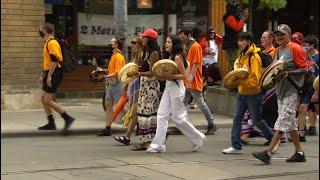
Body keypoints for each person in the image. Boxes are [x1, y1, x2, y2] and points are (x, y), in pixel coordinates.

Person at [252, 24, 309, 164]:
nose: (279, 37)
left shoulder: (295, 48)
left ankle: (268, 153)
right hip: (280, 91)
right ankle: (299, 153)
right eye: (277, 35)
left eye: (282, 34)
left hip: (292, 91)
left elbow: (305, 69)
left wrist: (288, 73)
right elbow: (275, 71)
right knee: (290, 125)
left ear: (288, 35)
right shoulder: (277, 51)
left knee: (282, 122)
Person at [147, 35, 206, 153]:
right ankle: (158, 145)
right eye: (166, 41)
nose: (166, 44)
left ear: (174, 44)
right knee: (161, 114)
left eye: (169, 42)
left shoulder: (178, 57)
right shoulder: (169, 56)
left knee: (178, 118)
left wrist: (171, 76)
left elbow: (184, 75)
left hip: (177, 88)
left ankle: (198, 138)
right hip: (169, 87)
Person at [222, 32, 274, 154]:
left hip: (254, 94)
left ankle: (272, 138)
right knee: (237, 119)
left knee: (257, 120)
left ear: (248, 42)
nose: (239, 43)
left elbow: (256, 80)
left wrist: (240, 82)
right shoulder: (241, 56)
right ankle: (235, 145)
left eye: (242, 40)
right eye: (239, 40)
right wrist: (236, 82)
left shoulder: (254, 57)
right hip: (242, 94)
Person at [240, 30, 286, 145]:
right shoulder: (259, 53)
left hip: (269, 88)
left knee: (260, 113)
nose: (262, 40)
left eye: (264, 37)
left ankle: (271, 136)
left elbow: (273, 70)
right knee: (254, 113)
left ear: (271, 39)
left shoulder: (273, 52)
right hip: (259, 87)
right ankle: (247, 135)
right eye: (261, 37)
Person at [37, 23, 75, 134]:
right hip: (50, 73)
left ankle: (68, 118)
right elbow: (48, 63)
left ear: (44, 30)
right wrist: (42, 76)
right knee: (44, 97)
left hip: (55, 73)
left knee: (47, 99)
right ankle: (51, 123)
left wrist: (49, 76)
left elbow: (54, 61)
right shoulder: (47, 42)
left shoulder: (52, 42)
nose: (39, 30)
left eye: (40, 29)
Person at [179, 28, 217, 135]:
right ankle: (182, 124)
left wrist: (190, 79)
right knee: (184, 103)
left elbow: (195, 64)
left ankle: (211, 124)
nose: (182, 39)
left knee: (200, 103)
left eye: (183, 37)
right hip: (189, 79)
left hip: (193, 80)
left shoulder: (195, 46)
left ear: (188, 35)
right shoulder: (190, 46)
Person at [130, 28, 161, 151]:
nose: (142, 39)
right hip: (145, 85)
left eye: (144, 37)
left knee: (147, 113)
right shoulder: (146, 52)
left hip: (151, 86)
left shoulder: (154, 53)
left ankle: (147, 141)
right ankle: (145, 140)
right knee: (142, 112)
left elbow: (153, 73)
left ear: (149, 39)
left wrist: (138, 73)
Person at [114, 36, 144, 145]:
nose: (132, 44)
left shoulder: (141, 56)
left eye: (134, 42)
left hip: (139, 85)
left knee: (134, 110)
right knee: (133, 110)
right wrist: (126, 87)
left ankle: (127, 136)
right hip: (133, 84)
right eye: (131, 42)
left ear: (139, 44)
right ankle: (138, 129)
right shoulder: (135, 56)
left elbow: (138, 71)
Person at [97, 36, 126, 136]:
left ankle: (136, 122)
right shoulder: (114, 56)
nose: (110, 42)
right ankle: (107, 128)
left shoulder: (118, 57)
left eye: (112, 41)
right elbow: (112, 71)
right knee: (108, 105)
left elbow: (117, 73)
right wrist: (103, 71)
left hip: (117, 84)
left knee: (121, 108)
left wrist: (105, 76)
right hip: (112, 84)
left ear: (117, 44)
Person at [297, 35, 319, 138]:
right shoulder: (304, 56)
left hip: (315, 86)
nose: (304, 46)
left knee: (316, 109)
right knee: (303, 107)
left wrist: (316, 92)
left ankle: (312, 127)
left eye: (306, 45)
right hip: (305, 85)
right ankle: (301, 133)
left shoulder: (318, 57)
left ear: (312, 45)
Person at [222, 0, 249, 69]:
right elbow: (237, 28)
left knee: (238, 62)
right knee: (234, 63)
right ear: (233, 9)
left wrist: (244, 17)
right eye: (237, 8)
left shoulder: (234, 17)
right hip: (232, 45)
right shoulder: (230, 17)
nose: (239, 10)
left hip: (235, 44)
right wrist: (243, 17)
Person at [199, 26, 223, 91]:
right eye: (210, 33)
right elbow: (200, 50)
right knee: (214, 78)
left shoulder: (215, 40)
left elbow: (221, 39)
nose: (212, 34)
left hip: (214, 61)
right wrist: (209, 52)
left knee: (214, 80)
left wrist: (216, 34)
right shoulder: (204, 40)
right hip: (207, 63)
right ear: (208, 33)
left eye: (213, 33)